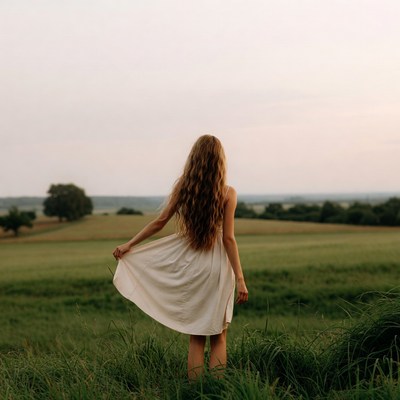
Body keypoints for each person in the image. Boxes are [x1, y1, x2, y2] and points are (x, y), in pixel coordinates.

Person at [112, 134, 248, 380]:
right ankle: (216, 391)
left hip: (193, 263)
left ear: (193, 159)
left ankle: (194, 391)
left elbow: (160, 221)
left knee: (197, 335)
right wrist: (240, 278)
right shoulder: (228, 193)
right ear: (220, 161)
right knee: (218, 334)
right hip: (217, 265)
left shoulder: (184, 186)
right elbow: (228, 239)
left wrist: (130, 244)